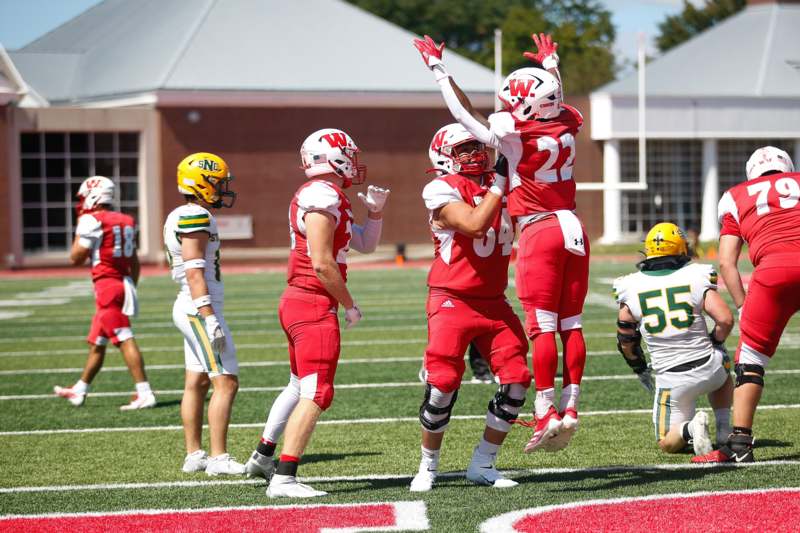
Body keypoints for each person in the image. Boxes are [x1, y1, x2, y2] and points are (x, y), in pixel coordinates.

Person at [414, 33, 589, 452]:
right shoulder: (566, 117)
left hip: (539, 226)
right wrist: (551, 64)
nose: (508, 107)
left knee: (543, 326)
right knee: (572, 325)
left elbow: (465, 114)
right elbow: (553, 96)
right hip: (574, 225)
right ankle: (571, 405)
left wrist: (439, 70)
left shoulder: (515, 133)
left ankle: (546, 409)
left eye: (514, 101)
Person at [244, 128, 390, 498]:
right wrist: (350, 304)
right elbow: (323, 264)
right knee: (318, 391)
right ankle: (285, 477)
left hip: (301, 298)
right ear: (333, 157)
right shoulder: (321, 195)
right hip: (312, 300)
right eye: (349, 155)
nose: (354, 163)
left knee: (298, 385)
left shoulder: (327, 195)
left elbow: (365, 245)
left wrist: (375, 213)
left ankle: (263, 457)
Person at [410, 123, 530, 492]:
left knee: (517, 380)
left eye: (479, 145)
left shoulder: (501, 185)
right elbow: (476, 225)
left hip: (494, 300)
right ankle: (428, 466)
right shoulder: (441, 188)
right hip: (452, 298)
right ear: (445, 155)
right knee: (444, 384)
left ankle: (483, 463)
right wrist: (501, 184)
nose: (476, 153)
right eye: (465, 149)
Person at [694, 146, 800, 463]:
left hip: (773, 275)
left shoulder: (735, 196)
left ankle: (740, 445)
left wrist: (743, 306)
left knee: (750, 359)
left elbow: (726, 263)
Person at [613, 222, 734, 456]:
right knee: (722, 361)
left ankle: (690, 429)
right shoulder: (698, 274)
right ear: (682, 249)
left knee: (667, 443)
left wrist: (638, 367)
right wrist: (715, 342)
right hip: (710, 368)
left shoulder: (629, 285)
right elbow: (725, 320)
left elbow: (625, 339)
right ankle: (723, 427)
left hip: (672, 380)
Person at [164, 152, 244, 476]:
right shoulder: (195, 215)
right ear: (202, 183)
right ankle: (218, 458)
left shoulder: (181, 213)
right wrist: (209, 316)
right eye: (218, 182)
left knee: (196, 381)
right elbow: (195, 272)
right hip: (198, 306)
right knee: (226, 382)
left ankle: (194, 454)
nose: (223, 188)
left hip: (190, 304)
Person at [54, 176, 155, 410]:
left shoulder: (91, 219)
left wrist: (80, 231)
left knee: (123, 337)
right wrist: (131, 284)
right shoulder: (125, 220)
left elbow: (75, 258)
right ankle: (80, 389)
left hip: (107, 285)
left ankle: (145, 392)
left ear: (93, 195)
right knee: (97, 343)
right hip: (122, 282)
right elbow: (135, 261)